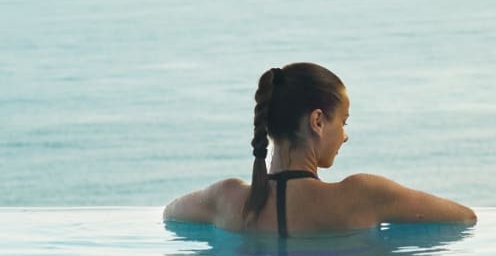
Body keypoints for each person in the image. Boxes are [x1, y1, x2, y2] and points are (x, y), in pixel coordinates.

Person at [163, 62, 476, 235]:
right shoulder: (362, 195)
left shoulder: (225, 199)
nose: (344, 136)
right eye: (344, 122)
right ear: (317, 121)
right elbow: (464, 218)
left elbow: (170, 214)